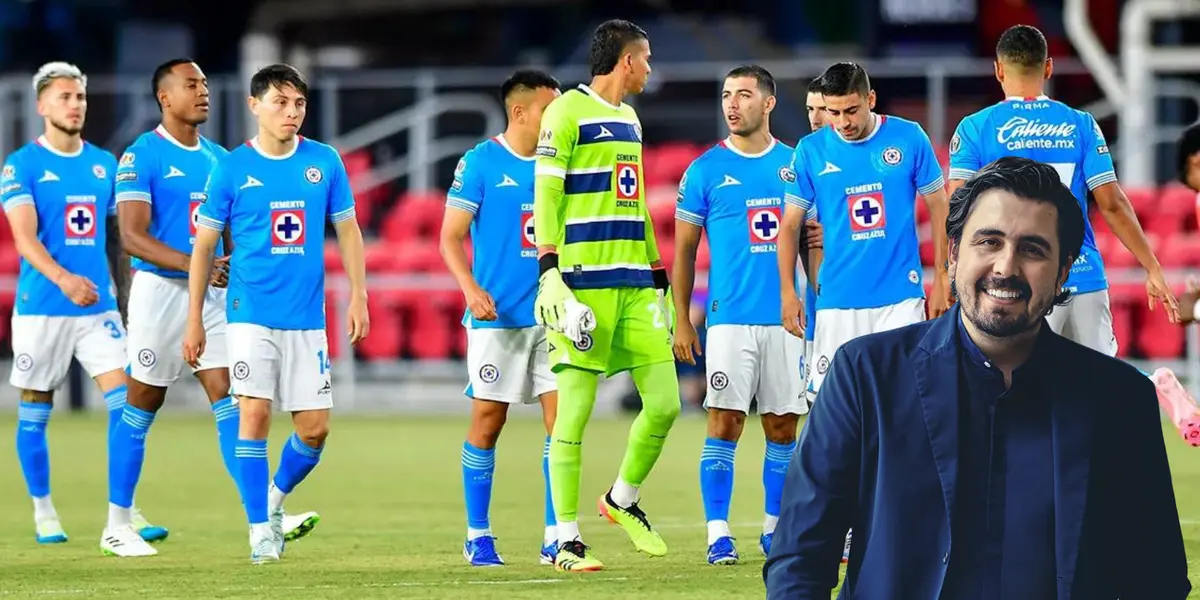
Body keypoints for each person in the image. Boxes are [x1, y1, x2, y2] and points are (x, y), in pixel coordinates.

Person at [765, 157, 1191, 599]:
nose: (1005, 267)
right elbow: (800, 556)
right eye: (989, 242)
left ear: (1064, 270)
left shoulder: (1121, 400)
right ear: (953, 253)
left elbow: (1156, 579)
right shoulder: (866, 375)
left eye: (1033, 249)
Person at [112, 58, 319, 555]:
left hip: (211, 295)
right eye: (191, 85)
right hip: (160, 293)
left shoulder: (218, 159)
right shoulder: (142, 156)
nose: (203, 92)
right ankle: (117, 522)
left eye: (205, 84)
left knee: (231, 394)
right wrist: (194, 265)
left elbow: (230, 236)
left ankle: (262, 514)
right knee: (142, 401)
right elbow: (132, 237)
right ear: (165, 96)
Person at [182, 63, 370, 564]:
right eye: (281, 102)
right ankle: (258, 531)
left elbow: (348, 231)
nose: (292, 112)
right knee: (255, 411)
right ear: (255, 106)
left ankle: (269, 503)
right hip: (249, 312)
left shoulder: (324, 162)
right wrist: (195, 317)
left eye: (299, 103)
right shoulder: (230, 169)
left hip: (307, 317)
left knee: (314, 430)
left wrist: (359, 295)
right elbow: (203, 248)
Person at [533, 18, 680, 572]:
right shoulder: (565, 112)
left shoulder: (631, 118)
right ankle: (564, 540)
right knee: (573, 413)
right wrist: (550, 270)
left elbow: (634, 202)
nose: (649, 68)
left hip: (635, 284)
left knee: (664, 402)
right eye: (645, 59)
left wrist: (659, 275)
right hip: (581, 285)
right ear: (625, 61)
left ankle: (622, 499)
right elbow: (545, 193)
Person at [0, 61, 164, 552]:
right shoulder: (21, 166)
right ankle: (43, 509)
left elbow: (117, 239)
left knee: (127, 404)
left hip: (99, 312)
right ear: (42, 107)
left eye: (80, 97)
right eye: (65, 97)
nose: (75, 105)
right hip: (43, 308)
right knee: (36, 409)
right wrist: (64, 279)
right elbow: (25, 240)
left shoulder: (105, 166)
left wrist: (126, 296)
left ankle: (124, 509)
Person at [948, 24, 1179, 352]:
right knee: (1101, 389)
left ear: (998, 69)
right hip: (1082, 275)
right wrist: (1151, 266)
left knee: (1020, 391)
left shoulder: (976, 128)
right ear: (1048, 67)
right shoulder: (1080, 124)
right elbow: (1112, 204)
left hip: (1019, 283)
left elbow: (958, 207)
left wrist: (952, 272)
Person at [672, 64, 805, 566]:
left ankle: (774, 530)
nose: (732, 104)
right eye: (727, 95)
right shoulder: (705, 169)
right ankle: (717, 533)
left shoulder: (796, 165)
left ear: (768, 103)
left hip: (788, 320)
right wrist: (683, 318)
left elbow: (814, 248)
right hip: (728, 320)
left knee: (782, 427)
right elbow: (684, 250)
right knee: (723, 421)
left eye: (744, 95)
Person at [439, 69, 562, 567]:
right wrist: (470, 288)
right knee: (489, 422)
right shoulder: (481, 163)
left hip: (553, 317)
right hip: (499, 318)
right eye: (548, 110)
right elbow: (449, 237)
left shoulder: (563, 165)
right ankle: (478, 533)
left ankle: (558, 534)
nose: (557, 120)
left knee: (563, 424)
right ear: (520, 111)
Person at [779, 61, 951, 408]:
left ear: (870, 98)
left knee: (904, 403)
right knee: (831, 408)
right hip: (838, 300)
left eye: (851, 110)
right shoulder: (811, 150)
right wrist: (788, 292)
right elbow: (789, 227)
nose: (843, 122)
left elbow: (940, 206)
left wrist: (944, 276)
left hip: (900, 297)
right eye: (834, 112)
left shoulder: (908, 137)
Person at [799, 76, 826, 406]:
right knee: (820, 402)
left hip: (864, 294)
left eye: (822, 109)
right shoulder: (803, 161)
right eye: (809, 109)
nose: (815, 117)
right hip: (818, 302)